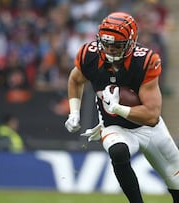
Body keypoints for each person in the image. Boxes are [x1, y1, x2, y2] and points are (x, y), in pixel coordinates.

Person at [64, 12, 179, 203]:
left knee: (176, 181)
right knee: (117, 151)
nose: (109, 49)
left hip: (149, 129)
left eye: (116, 45)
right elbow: (75, 79)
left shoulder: (145, 61)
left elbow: (151, 116)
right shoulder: (89, 55)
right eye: (106, 43)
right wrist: (74, 111)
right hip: (115, 127)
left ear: (131, 42)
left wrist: (117, 108)